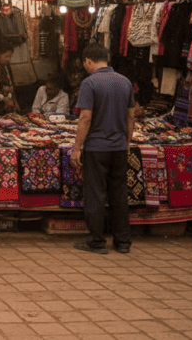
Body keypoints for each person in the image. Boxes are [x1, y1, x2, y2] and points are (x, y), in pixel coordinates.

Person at [71, 43, 136, 255]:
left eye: (85, 63)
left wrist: (76, 148)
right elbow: (131, 116)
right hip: (118, 147)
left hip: (97, 147)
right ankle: (123, 242)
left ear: (88, 61)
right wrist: (126, 143)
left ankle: (97, 241)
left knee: (96, 194)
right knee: (119, 194)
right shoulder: (125, 82)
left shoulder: (90, 83)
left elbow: (85, 117)